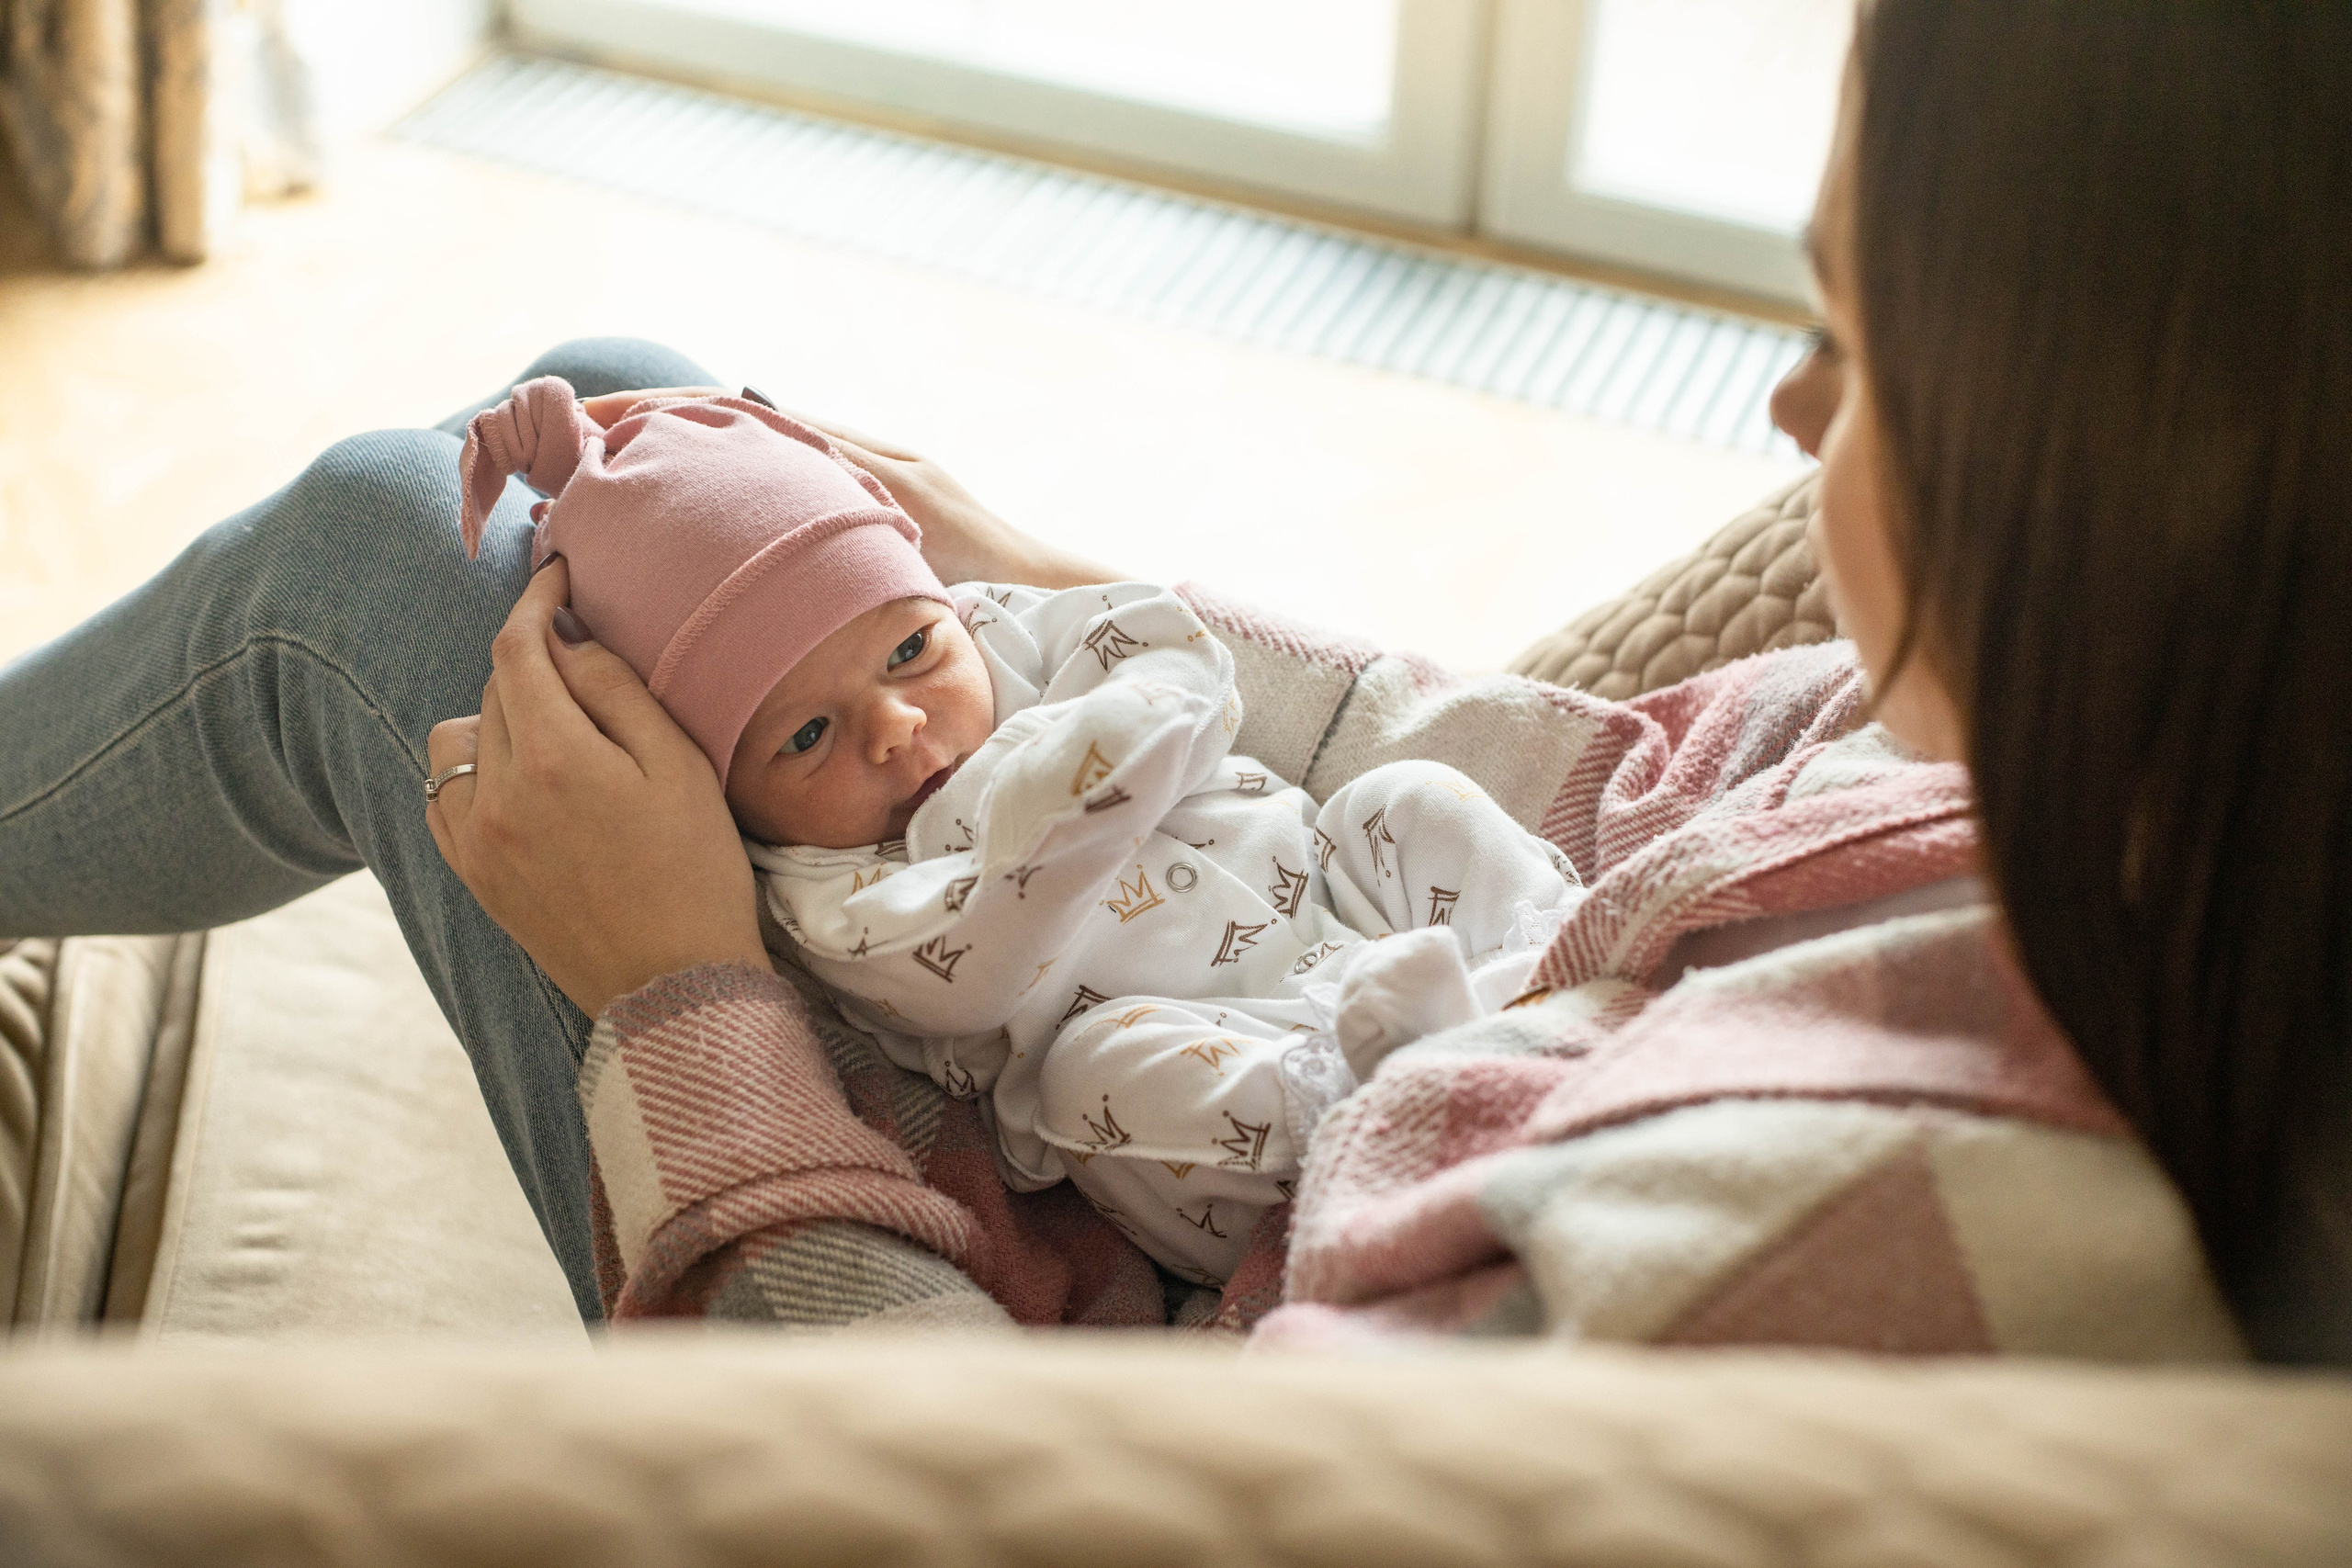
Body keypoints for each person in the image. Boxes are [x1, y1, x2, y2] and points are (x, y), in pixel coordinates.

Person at [3, 2, 2345, 1359]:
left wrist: (679, 991)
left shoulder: (1817, 1236)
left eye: (1860, 344)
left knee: (371, 557)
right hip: (1280, 1044)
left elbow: (1048, 1504)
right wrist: (1050, 581)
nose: (1794, 420)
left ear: (2119, 462)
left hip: (1047, 1314)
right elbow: (1610, 777)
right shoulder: (2103, 784)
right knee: (624, 400)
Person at [449, 375, 1583, 1287]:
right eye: (804, 737)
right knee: (1099, 1069)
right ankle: (1382, 1100)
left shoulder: (1006, 638)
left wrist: (1109, 708)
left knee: (1405, 801)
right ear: (722, 795)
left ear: (941, 600)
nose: (897, 726)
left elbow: (1186, 656)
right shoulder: (818, 887)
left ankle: (1553, 966)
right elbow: (969, 976)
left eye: (909, 651)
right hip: (1222, 1114)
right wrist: (1090, 777)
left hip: (1355, 919)